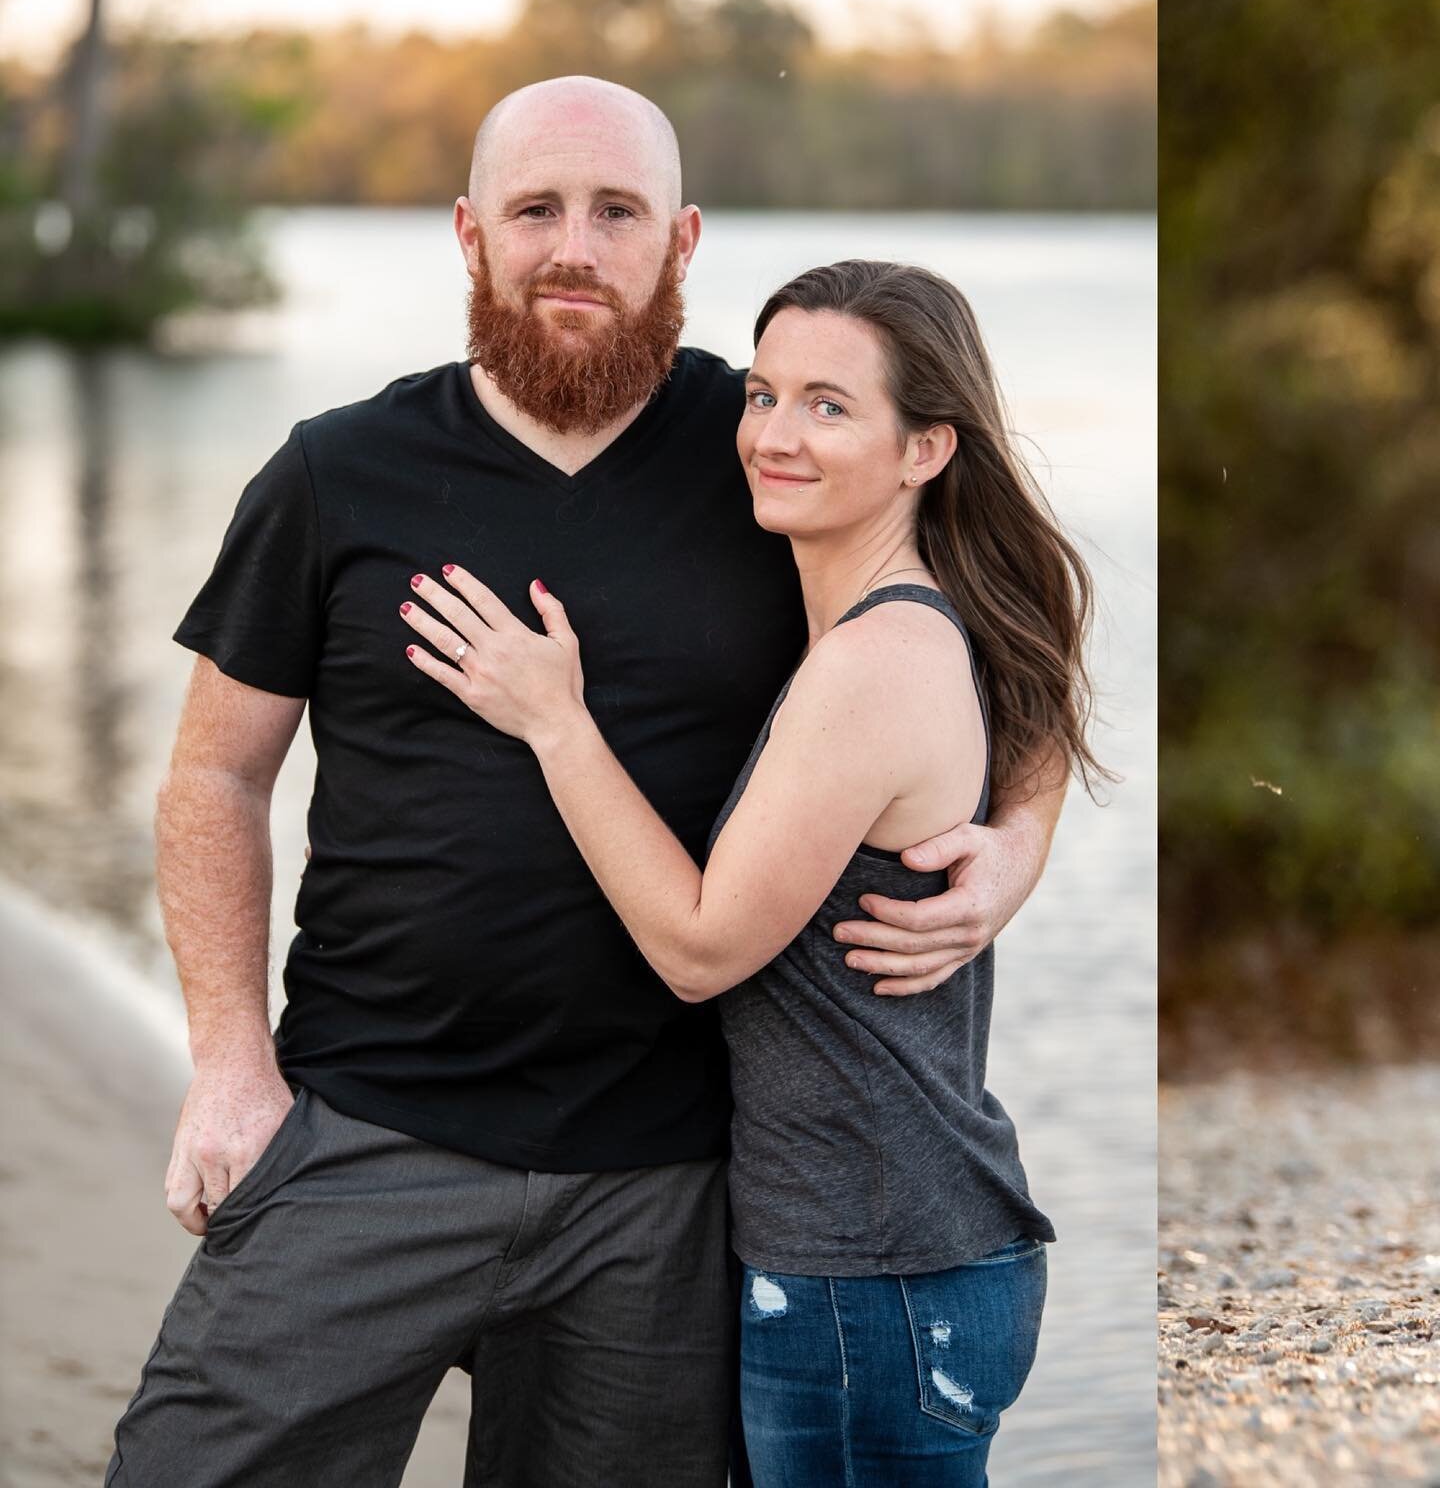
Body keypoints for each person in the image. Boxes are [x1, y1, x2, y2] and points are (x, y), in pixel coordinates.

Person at [105, 78, 1065, 1488]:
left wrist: (1021, 839)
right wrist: (230, 1068)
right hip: (368, 1130)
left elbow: (1002, 628)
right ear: (468, 234)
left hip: (666, 1188)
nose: (575, 246)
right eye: (536, 209)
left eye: (616, 212)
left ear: (679, 241)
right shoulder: (338, 472)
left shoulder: (762, 458)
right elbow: (214, 778)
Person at [401, 256, 1105, 1485]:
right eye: (762, 393)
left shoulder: (877, 661)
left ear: (926, 450)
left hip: (870, 1271)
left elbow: (699, 947)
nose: (775, 436)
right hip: (905, 1246)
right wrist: (1021, 845)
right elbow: (1042, 689)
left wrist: (557, 722)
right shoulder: (907, 612)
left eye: (830, 407)